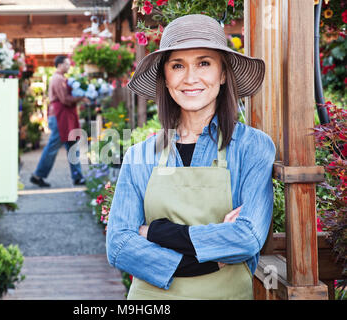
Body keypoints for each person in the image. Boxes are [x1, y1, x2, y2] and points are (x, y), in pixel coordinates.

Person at [106, 14, 276, 300]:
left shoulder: (252, 147)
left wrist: (157, 232)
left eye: (204, 63)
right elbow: (119, 245)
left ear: (223, 74)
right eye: (177, 66)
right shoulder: (140, 155)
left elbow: (248, 237)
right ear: (166, 77)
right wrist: (211, 256)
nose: (190, 78)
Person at [31, 55, 88, 187]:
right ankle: (38, 175)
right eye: (67, 64)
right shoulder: (57, 79)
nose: (69, 66)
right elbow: (65, 99)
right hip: (59, 116)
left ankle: (78, 176)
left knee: (72, 145)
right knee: (53, 147)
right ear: (60, 65)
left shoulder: (62, 78)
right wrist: (81, 97)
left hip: (64, 116)